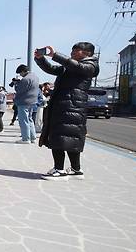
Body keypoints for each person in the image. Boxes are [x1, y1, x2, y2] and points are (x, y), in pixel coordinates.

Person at [35, 42, 99, 180]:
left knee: (59, 137)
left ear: (86, 53)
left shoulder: (90, 66)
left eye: (76, 50)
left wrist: (55, 55)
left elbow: (77, 66)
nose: (72, 52)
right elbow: (52, 68)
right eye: (72, 50)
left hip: (71, 105)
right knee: (71, 138)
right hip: (65, 105)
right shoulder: (70, 67)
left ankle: (59, 170)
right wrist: (40, 59)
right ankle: (76, 169)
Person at [12, 64, 40, 144]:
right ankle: (33, 137)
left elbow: (19, 90)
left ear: (23, 71)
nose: (20, 75)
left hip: (24, 101)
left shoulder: (25, 79)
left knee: (23, 120)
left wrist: (16, 84)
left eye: (20, 73)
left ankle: (25, 138)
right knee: (30, 119)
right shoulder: (35, 77)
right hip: (33, 101)